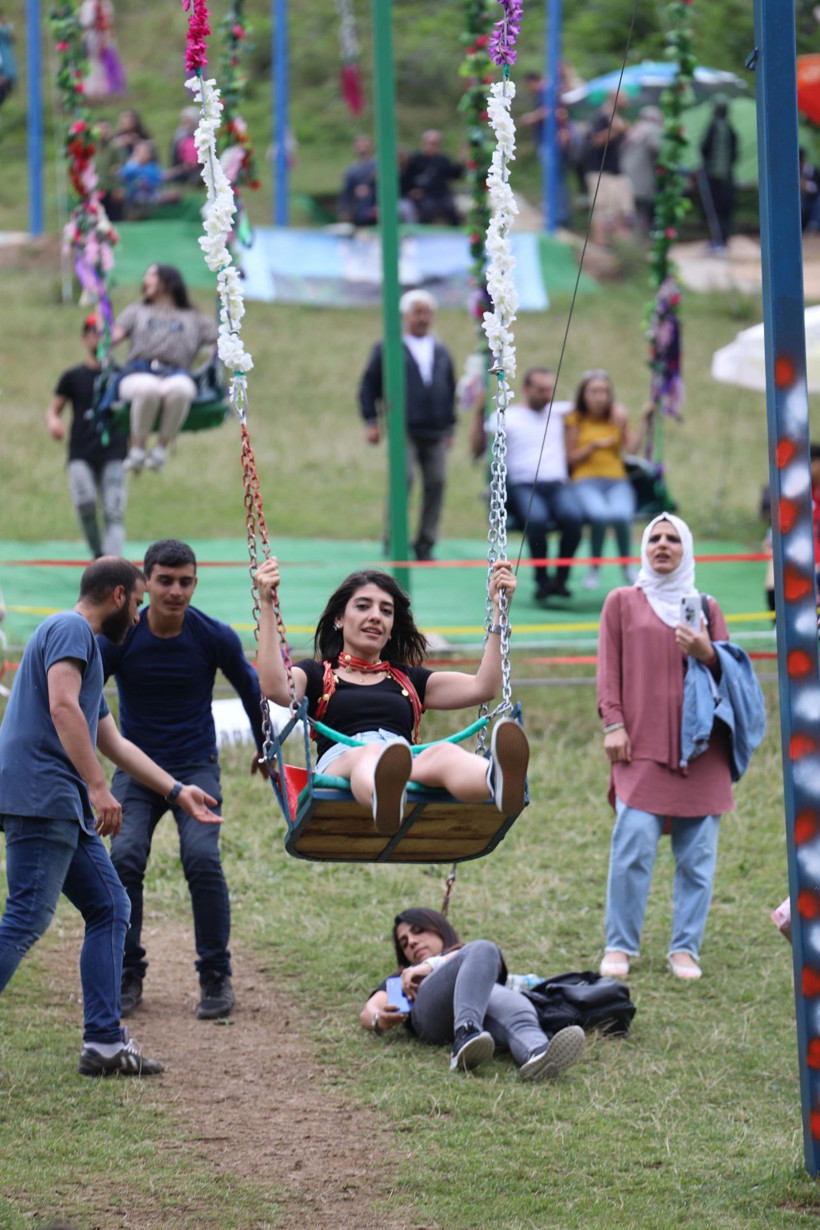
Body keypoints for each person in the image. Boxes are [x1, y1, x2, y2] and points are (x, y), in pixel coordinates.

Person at [0, 557, 218, 1075]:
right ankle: (103, 1040)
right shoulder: (71, 628)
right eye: (140, 601)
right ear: (119, 595)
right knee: (27, 917)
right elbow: (62, 708)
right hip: (42, 795)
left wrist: (177, 789)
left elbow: (113, 740)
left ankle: (103, 1043)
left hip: (58, 803)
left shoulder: (82, 648)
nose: (141, 616)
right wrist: (99, 788)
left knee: (110, 908)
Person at [99, 539, 268, 1021]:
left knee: (201, 858)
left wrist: (266, 748)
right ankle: (128, 974)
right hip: (136, 770)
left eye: (185, 581)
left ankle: (216, 975)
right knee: (125, 857)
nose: (175, 591)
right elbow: (82, 689)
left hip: (196, 767)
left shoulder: (213, 636)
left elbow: (251, 687)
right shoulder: (122, 637)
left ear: (195, 582)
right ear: (144, 584)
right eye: (165, 581)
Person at [596, 514, 765, 981]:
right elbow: (608, 669)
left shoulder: (706, 607)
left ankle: (685, 949)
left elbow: (732, 678)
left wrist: (707, 651)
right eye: (655, 538)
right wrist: (614, 723)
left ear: (687, 550)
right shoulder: (622, 602)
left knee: (697, 858)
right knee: (632, 849)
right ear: (644, 547)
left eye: (673, 539)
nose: (664, 545)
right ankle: (620, 945)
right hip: (641, 747)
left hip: (703, 750)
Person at [253, 556, 530, 836]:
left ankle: (497, 781)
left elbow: (482, 688)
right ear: (339, 618)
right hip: (343, 762)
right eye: (363, 606)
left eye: (386, 611)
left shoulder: (408, 679)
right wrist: (266, 604)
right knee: (369, 754)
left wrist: (500, 610)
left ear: (390, 629)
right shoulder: (316, 674)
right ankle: (383, 798)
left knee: (444, 753)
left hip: (403, 760)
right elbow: (275, 687)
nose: (376, 616)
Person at [359, 908, 585, 1078]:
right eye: (404, 942)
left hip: (485, 1014)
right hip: (432, 1020)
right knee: (484, 948)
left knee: (504, 1002)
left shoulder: (469, 957)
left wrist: (430, 965)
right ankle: (466, 1033)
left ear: (440, 929)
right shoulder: (403, 977)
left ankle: (537, 1053)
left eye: (418, 931)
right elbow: (369, 1011)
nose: (412, 942)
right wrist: (379, 1018)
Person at [359, 289, 457, 562]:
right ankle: (395, 538)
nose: (423, 318)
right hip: (404, 428)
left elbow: (450, 388)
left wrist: (451, 426)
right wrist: (372, 421)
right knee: (404, 479)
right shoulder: (389, 347)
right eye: (418, 312)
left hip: (436, 429)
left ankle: (425, 542)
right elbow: (369, 386)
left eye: (427, 313)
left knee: (437, 482)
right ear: (405, 316)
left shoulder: (440, 350)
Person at [488, 366, 585, 602]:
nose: (546, 395)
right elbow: (481, 441)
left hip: (557, 485)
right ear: (525, 389)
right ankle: (542, 580)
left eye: (549, 389)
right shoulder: (506, 417)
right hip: (524, 485)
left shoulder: (560, 411)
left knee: (573, 518)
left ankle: (560, 579)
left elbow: (593, 406)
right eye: (540, 390)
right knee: (537, 520)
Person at [109, 262, 217, 474]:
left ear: (167, 282)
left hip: (176, 374)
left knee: (183, 389)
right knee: (148, 389)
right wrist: (101, 312)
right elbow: (111, 339)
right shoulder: (136, 311)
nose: (144, 280)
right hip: (138, 372)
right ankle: (138, 448)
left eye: (150, 275)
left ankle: (160, 449)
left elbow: (222, 340)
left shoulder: (194, 318)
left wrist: (229, 312)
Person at [45, 313, 129, 559]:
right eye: (95, 332)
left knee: (114, 509)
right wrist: (53, 421)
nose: (100, 338)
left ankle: (111, 563)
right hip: (81, 452)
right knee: (85, 504)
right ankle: (98, 554)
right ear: (85, 338)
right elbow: (54, 409)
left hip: (114, 451)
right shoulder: (73, 376)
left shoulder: (122, 374)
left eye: (105, 333)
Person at [565, 369, 651, 589]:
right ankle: (594, 568)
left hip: (617, 480)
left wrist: (643, 419)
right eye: (594, 391)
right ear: (584, 395)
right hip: (585, 480)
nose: (599, 397)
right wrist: (592, 447)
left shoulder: (616, 417)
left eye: (604, 392)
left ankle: (626, 566)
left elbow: (631, 448)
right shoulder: (575, 419)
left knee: (622, 516)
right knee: (599, 515)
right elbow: (570, 458)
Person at [583, 90, 634, 246]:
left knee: (622, 210)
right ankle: (600, 245)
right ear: (615, 98)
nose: (628, 100)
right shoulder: (599, 117)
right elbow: (596, 141)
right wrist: (615, 130)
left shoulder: (617, 117)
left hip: (617, 171)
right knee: (602, 210)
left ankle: (621, 248)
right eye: (625, 97)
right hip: (600, 172)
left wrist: (624, 130)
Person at [700, 98, 738, 253]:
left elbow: (704, 148)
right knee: (725, 209)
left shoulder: (712, 127)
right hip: (727, 176)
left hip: (712, 176)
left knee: (713, 209)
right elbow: (735, 153)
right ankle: (724, 240)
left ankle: (716, 240)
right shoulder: (730, 128)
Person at [403, 130, 463, 226]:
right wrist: (411, 191)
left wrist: (461, 161)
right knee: (428, 208)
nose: (432, 146)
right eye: (430, 143)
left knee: (450, 208)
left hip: (441, 194)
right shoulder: (415, 159)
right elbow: (406, 178)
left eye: (435, 144)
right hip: (423, 194)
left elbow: (454, 174)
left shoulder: (443, 160)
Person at [621, 106, 663, 235]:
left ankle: (635, 239)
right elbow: (656, 148)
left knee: (633, 210)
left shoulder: (635, 128)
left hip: (626, 175)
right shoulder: (652, 129)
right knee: (644, 209)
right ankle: (641, 239)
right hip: (642, 177)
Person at [337, 133, 378, 227]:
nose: (362, 147)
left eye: (364, 143)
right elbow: (346, 192)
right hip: (360, 212)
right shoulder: (351, 170)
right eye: (359, 144)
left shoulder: (378, 165)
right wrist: (344, 210)